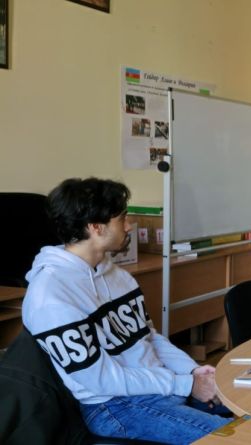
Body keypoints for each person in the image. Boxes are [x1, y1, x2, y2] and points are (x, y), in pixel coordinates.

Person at [21, 178, 231, 444]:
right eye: (121, 219)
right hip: (115, 405)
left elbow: (149, 338)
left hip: (160, 386)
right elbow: (101, 379)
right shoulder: (50, 296)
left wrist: (193, 373)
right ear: (96, 227)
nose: (129, 226)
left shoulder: (117, 275)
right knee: (240, 439)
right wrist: (186, 385)